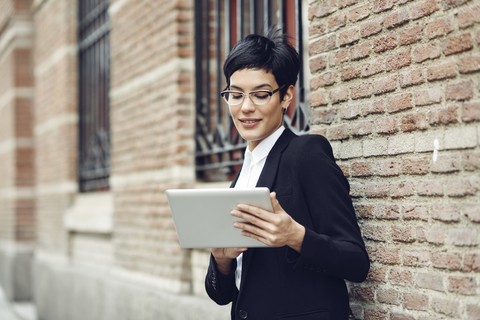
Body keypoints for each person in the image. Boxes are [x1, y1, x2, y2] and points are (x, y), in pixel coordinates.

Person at [205, 29, 370, 320]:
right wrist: (221, 259)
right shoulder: (240, 177)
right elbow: (222, 295)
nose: (245, 107)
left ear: (286, 96)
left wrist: (296, 236)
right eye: (235, 94)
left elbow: (355, 261)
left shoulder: (307, 154)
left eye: (261, 94)